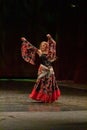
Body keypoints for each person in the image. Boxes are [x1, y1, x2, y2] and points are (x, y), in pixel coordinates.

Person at [21, 34, 60, 103]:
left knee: (49, 84)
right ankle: (41, 97)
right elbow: (32, 47)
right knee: (42, 83)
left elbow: (53, 44)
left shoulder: (49, 52)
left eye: (45, 45)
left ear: (47, 46)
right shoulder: (39, 52)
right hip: (43, 69)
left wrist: (50, 38)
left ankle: (48, 98)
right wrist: (25, 41)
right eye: (42, 45)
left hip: (50, 69)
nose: (43, 46)